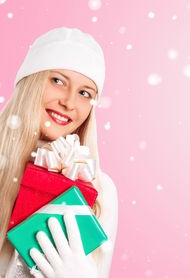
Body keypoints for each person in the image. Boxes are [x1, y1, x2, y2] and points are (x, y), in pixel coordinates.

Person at [0, 27, 118, 277]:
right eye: (57, 81)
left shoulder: (102, 191)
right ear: (30, 82)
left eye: (85, 93)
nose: (69, 102)